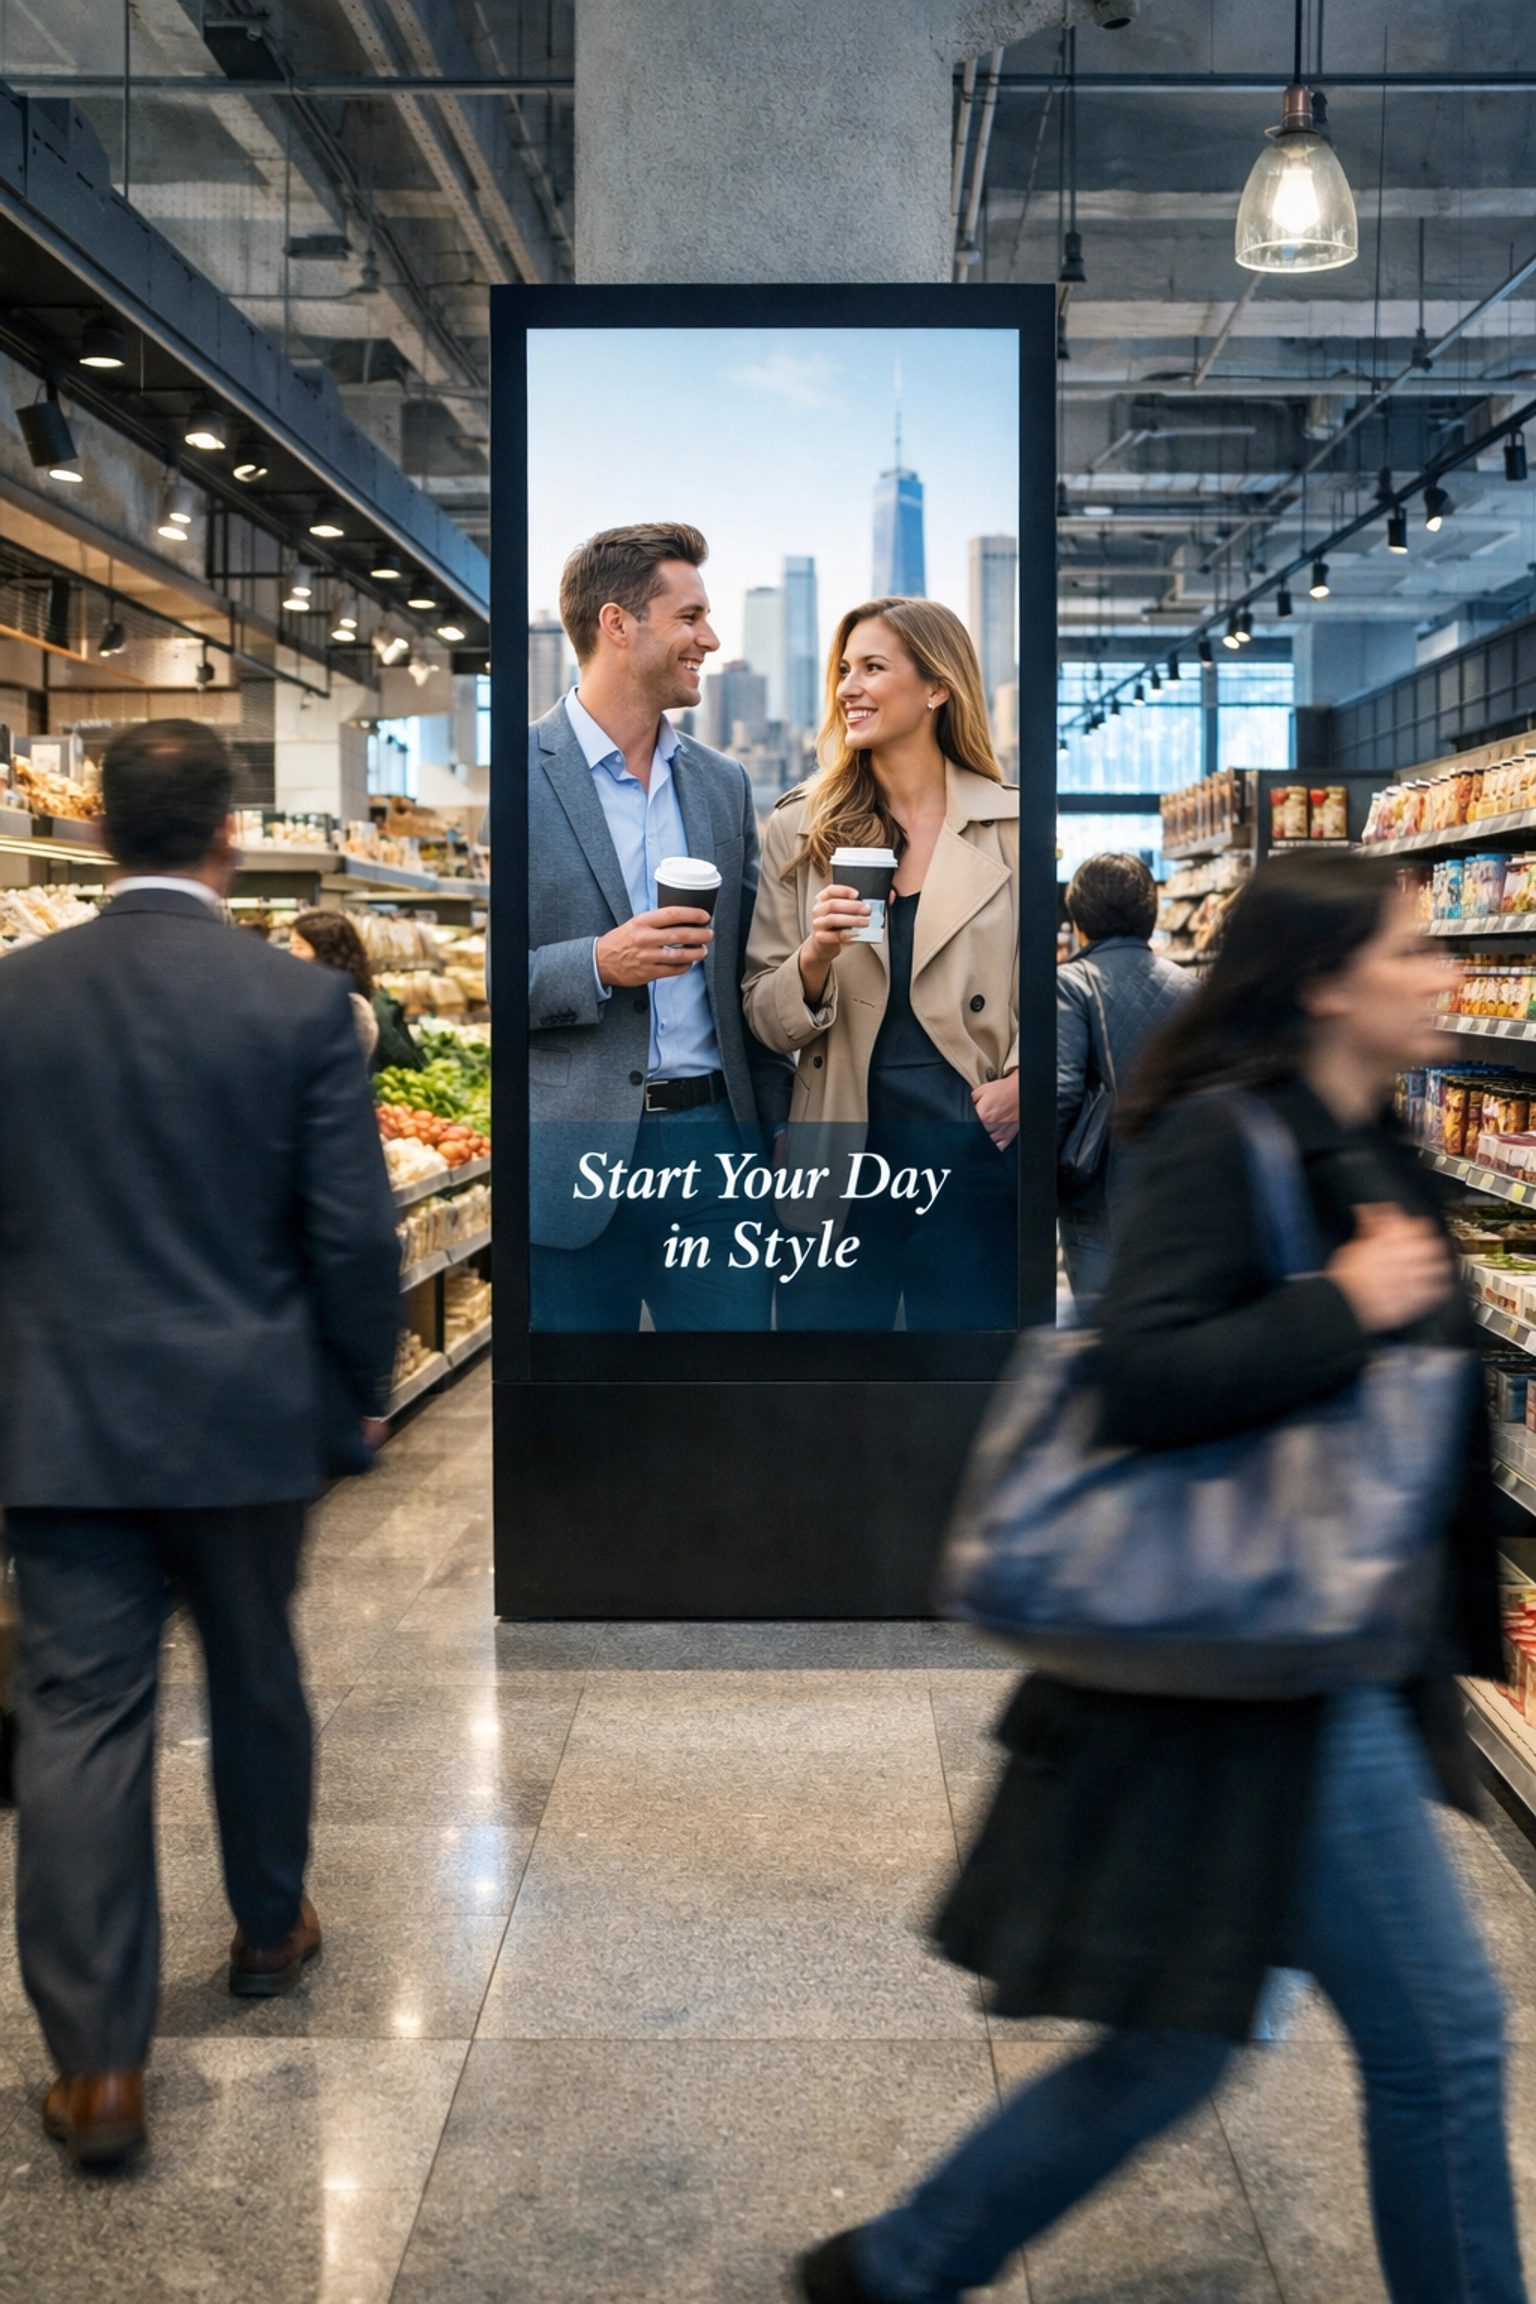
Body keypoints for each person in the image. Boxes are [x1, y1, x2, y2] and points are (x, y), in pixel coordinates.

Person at [798, 850, 1528, 2304]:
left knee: (1171, 2048)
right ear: (1324, 982)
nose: (1440, 969)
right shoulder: (1227, 1135)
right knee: (1442, 2042)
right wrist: (1344, 1305)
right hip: (1276, 1672)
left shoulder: (1362, 1131)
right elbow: (1141, 1379)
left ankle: (902, 2264)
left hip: (1318, 1656)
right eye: (1407, 946)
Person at [0, 720, 401, 2169]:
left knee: (81, 1723)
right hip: (244, 1419)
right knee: (256, 1677)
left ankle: (101, 2068)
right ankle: (267, 1925)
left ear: (101, 837)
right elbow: (354, 1235)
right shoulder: (294, 1007)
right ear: (229, 839)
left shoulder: (15, 998)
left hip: (59, 1423)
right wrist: (360, 1381)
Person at [527, 521, 792, 1330]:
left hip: (716, 1148)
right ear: (617, 624)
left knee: (727, 1416)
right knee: (581, 1430)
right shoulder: (523, 775)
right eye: (689, 617)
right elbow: (482, 981)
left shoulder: (720, 785)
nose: (708, 640)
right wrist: (598, 962)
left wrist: (773, 1133)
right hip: (573, 1156)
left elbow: (750, 970)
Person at [742, 598, 1018, 1331]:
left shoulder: (1012, 826)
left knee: (965, 1394)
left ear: (936, 688)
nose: (848, 688)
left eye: (872, 668)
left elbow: (1048, 993)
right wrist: (813, 955)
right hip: (838, 1148)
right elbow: (762, 1015)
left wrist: (1027, 1085)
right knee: (829, 1396)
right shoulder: (799, 827)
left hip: (973, 1150)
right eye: (842, 670)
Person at [1056, 851, 1189, 1311]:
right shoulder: (1189, 985)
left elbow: (1062, 1090)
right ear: (1149, 915)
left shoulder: (1073, 982)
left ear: (1080, 921)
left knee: (1101, 1326)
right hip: (1175, 1184)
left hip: (1099, 1192)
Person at [288, 909, 382, 1065]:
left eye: (299, 947)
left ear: (326, 952)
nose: (291, 954)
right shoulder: (304, 994)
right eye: (291, 946)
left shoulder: (352, 1006)